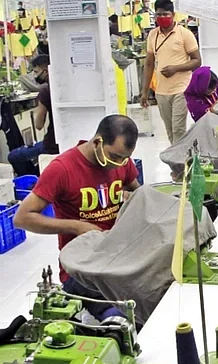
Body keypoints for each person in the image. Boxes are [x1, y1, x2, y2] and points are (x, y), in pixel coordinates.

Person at [13, 115, 140, 320]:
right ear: (98, 141)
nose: (118, 164)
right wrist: (76, 227)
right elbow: (22, 218)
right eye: (114, 157)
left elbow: (137, 192)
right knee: (121, 317)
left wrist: (131, 198)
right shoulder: (63, 168)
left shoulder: (121, 162)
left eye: (123, 159)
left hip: (117, 256)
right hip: (82, 267)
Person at [140, 0, 201, 144]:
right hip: (161, 91)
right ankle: (180, 160)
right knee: (169, 130)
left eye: (165, 14)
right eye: (158, 14)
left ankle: (179, 164)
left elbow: (197, 61)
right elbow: (149, 64)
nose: (161, 17)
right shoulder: (153, 35)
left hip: (181, 88)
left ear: (173, 14)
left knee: (178, 130)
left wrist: (175, 68)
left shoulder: (185, 34)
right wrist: (144, 92)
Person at [8, 55, 57, 176]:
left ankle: (32, 179)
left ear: (45, 71)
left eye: (36, 71)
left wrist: (39, 108)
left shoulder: (45, 92)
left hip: (51, 145)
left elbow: (39, 125)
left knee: (14, 156)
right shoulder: (62, 88)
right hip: (67, 142)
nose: (34, 75)